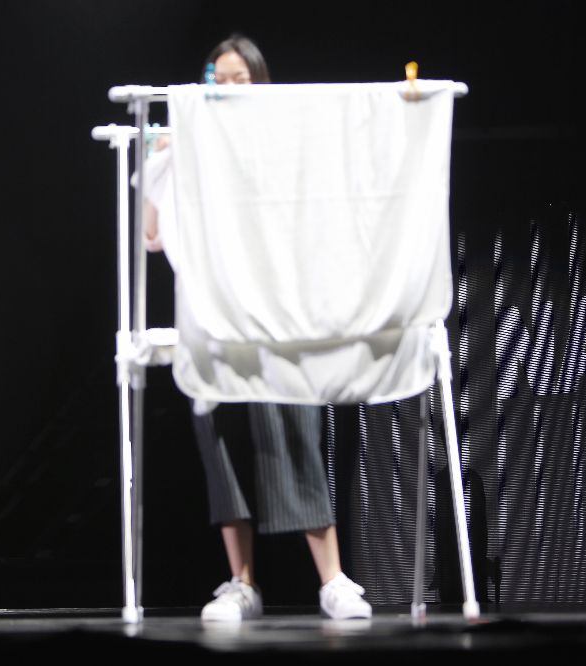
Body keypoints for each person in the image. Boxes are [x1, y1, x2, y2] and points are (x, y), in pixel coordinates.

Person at [142, 33, 372, 622]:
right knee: (223, 441)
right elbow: (152, 236)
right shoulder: (192, 146)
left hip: (279, 312)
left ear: (261, 84)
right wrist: (160, 160)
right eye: (218, 80)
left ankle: (333, 580)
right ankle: (241, 582)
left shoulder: (285, 143)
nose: (228, 89)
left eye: (240, 79)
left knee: (296, 432)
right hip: (215, 317)